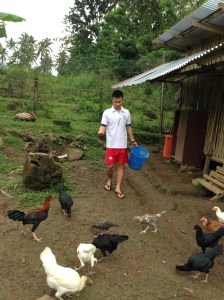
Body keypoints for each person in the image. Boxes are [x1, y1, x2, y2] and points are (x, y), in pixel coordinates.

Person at [98, 90, 138, 199]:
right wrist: (101, 131)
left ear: (122, 100)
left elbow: (128, 127)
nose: (117, 104)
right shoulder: (107, 112)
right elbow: (103, 125)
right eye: (115, 101)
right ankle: (110, 180)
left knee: (121, 166)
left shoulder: (126, 112)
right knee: (110, 166)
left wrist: (133, 140)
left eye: (119, 101)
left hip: (122, 145)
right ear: (112, 100)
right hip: (111, 145)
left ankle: (118, 187)